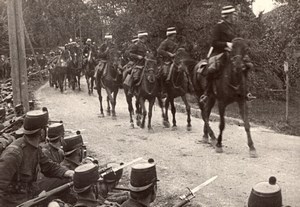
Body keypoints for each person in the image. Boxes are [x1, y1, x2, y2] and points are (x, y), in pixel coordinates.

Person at [0, 109, 74, 207]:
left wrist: (68, 172)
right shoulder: (14, 154)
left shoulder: (35, 148)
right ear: (42, 131)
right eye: (46, 128)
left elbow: (48, 166)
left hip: (30, 199)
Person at [200, 5, 255, 103]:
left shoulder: (233, 27)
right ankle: (207, 93)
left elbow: (237, 40)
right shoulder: (218, 26)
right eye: (232, 14)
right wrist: (226, 44)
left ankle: (245, 91)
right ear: (227, 15)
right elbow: (214, 42)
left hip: (233, 53)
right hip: (219, 52)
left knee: (246, 65)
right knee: (212, 69)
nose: (234, 16)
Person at [127, 31, 151, 95]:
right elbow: (130, 53)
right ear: (142, 37)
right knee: (136, 76)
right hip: (138, 64)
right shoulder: (136, 45)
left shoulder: (145, 45)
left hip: (146, 64)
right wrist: (137, 56)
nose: (146, 38)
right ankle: (131, 89)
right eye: (145, 37)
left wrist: (148, 56)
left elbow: (148, 52)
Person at [157, 27, 178, 96]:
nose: (175, 36)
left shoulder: (175, 43)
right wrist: (169, 54)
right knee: (164, 74)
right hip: (166, 61)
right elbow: (159, 50)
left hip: (175, 60)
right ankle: (163, 90)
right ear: (170, 35)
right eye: (174, 35)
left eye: (175, 35)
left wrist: (176, 54)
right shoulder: (165, 42)